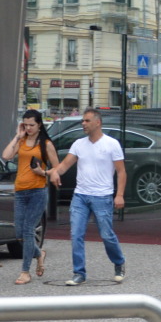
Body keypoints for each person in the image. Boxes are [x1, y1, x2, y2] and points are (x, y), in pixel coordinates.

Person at [47, 108, 127, 286]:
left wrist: (119, 195)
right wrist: (55, 173)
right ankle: (79, 273)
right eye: (83, 120)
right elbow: (65, 165)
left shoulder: (111, 144)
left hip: (102, 196)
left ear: (97, 123)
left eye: (87, 121)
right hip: (80, 196)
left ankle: (119, 262)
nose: (83, 123)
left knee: (106, 235)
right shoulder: (78, 144)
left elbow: (121, 172)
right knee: (76, 234)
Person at [0, 109, 60, 285]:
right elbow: (6, 155)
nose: (28, 128)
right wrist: (18, 136)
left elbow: (58, 169)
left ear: (39, 124)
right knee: (19, 233)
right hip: (20, 191)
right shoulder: (22, 140)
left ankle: (25, 271)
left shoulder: (46, 144)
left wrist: (42, 171)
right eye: (25, 125)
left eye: (31, 125)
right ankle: (39, 253)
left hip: (37, 191)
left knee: (27, 230)